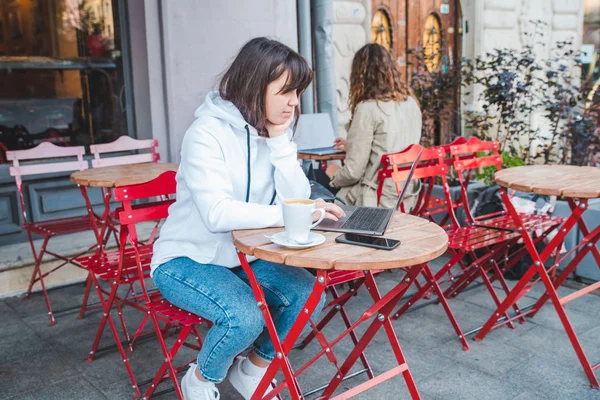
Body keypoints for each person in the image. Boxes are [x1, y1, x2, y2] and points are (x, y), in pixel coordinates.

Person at [150, 37, 345, 400]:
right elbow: (216, 213)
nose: (294, 102)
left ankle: (252, 370)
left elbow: (295, 198)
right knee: (244, 316)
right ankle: (200, 379)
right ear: (255, 84)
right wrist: (292, 215)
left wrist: (280, 144)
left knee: (308, 295)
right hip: (187, 259)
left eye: (298, 92)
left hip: (244, 256)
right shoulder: (206, 134)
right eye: (286, 90)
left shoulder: (270, 132)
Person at [325, 43, 422, 210]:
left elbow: (352, 173)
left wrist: (333, 174)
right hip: (405, 196)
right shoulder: (411, 104)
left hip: (376, 200)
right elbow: (394, 148)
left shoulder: (367, 109)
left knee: (319, 181)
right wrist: (352, 147)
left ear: (359, 75)